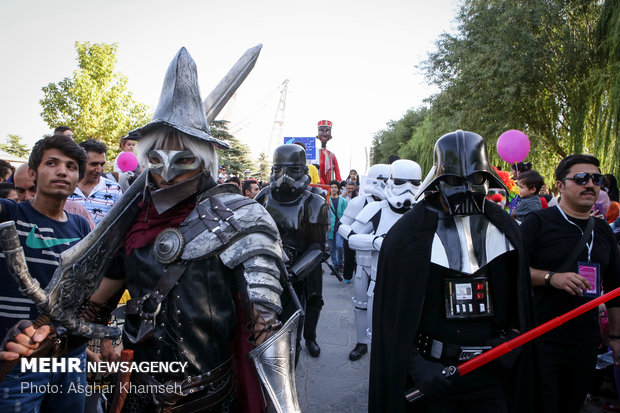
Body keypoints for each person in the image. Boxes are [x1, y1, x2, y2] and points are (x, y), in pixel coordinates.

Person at [65, 47, 294, 412]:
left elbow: (266, 329)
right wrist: (51, 333)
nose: (167, 172)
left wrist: (284, 406)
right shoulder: (136, 219)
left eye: (183, 159)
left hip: (208, 399)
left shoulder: (241, 217)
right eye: (155, 159)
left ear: (204, 159)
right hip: (140, 395)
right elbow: (95, 305)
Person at [369, 130, 535, 413]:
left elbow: (518, 299)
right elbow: (392, 317)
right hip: (432, 375)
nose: (467, 190)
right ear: (438, 181)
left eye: (476, 179)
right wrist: (417, 366)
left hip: (490, 374)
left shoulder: (505, 230)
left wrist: (513, 342)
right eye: (454, 181)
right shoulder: (408, 235)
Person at [521, 154, 620, 413]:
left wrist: (616, 338)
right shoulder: (538, 223)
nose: (590, 184)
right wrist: (551, 278)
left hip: (585, 342)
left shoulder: (604, 230)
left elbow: (614, 288)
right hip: (540, 338)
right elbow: (512, 272)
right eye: (580, 178)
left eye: (595, 179)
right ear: (560, 186)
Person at [0, 134, 91, 412]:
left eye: (72, 167)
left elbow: (86, 292)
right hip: (19, 357)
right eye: (52, 163)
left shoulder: (81, 227)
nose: (63, 171)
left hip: (69, 356)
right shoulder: (8, 214)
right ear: (32, 173)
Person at [255, 144, 328, 359]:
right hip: (270, 264)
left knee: (313, 299)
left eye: (291, 169)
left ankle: (310, 337)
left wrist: (294, 271)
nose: (284, 176)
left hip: (305, 262)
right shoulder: (264, 197)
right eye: (278, 168)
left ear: (304, 170)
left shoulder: (315, 202)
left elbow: (318, 247)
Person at [346, 160, 421, 361]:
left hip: (414, 278)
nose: (408, 189)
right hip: (378, 276)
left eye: (414, 183)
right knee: (371, 322)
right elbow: (352, 235)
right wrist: (377, 241)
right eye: (401, 182)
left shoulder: (423, 211)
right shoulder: (376, 209)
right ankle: (366, 346)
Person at [68, 139, 122, 225]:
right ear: (80, 162)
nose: (99, 169)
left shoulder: (114, 189)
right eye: (94, 164)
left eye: (102, 164)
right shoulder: (66, 187)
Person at [327, 180, 347, 274]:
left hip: (340, 226)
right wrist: (327, 224)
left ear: (338, 189)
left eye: (335, 187)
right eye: (331, 187)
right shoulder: (326, 200)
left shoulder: (343, 201)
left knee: (339, 245)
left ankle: (340, 264)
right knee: (332, 249)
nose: (333, 189)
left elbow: (346, 214)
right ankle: (335, 267)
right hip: (329, 227)